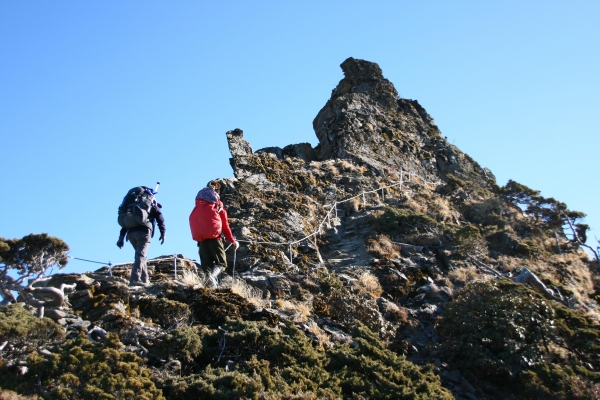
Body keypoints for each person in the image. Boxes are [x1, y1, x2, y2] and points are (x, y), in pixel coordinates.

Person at [189, 180, 239, 286]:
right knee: (221, 262)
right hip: (215, 238)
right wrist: (233, 241)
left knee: (206, 265)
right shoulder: (218, 205)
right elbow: (225, 225)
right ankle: (211, 277)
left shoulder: (198, 205)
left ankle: (206, 285)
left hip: (201, 240)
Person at [117, 187, 166, 287]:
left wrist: (121, 238)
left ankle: (145, 280)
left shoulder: (133, 207)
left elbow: (125, 225)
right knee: (141, 255)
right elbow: (161, 220)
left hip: (130, 234)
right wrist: (163, 233)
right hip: (144, 232)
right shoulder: (152, 206)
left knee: (141, 256)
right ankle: (135, 279)